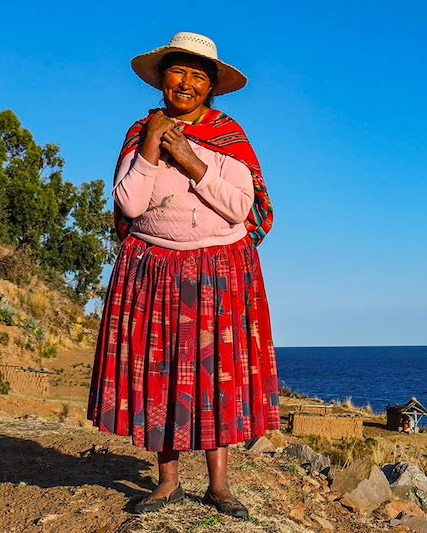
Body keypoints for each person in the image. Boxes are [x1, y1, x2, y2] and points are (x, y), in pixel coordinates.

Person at [87, 32, 279, 518]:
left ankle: (219, 487)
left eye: (198, 76)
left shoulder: (229, 138)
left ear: (211, 86)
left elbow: (242, 207)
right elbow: (129, 203)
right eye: (179, 72)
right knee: (161, 373)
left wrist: (192, 161)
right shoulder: (139, 134)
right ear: (162, 78)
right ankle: (167, 482)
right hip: (155, 269)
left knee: (217, 376)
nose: (187, 83)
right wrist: (153, 146)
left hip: (217, 270)